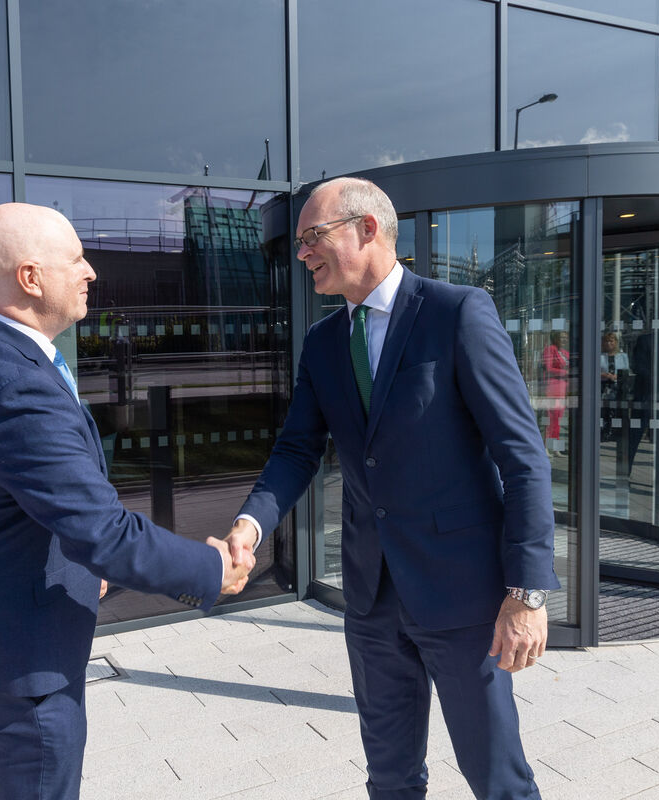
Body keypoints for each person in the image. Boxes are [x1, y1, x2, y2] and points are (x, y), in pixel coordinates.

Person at [223, 177, 558, 799]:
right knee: (390, 777)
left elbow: (523, 458)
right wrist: (252, 523)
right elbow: (297, 449)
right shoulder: (323, 342)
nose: (303, 252)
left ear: (368, 228)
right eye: (300, 242)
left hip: (462, 597)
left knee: (498, 778)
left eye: (313, 236)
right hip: (372, 597)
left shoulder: (456, 313)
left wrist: (527, 592)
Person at [0, 202, 251, 800]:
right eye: (75, 258)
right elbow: (103, 532)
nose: (90, 271)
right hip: (21, 657)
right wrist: (211, 569)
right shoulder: (16, 383)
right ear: (31, 277)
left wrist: (78, 565)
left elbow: (28, 498)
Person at [543, 330, 570, 456]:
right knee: (551, 418)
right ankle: (546, 447)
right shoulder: (550, 350)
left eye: (566, 337)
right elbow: (548, 369)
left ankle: (556, 448)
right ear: (555, 338)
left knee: (558, 419)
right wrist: (565, 373)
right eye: (561, 337)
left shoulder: (565, 352)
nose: (564, 340)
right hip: (553, 387)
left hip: (563, 388)